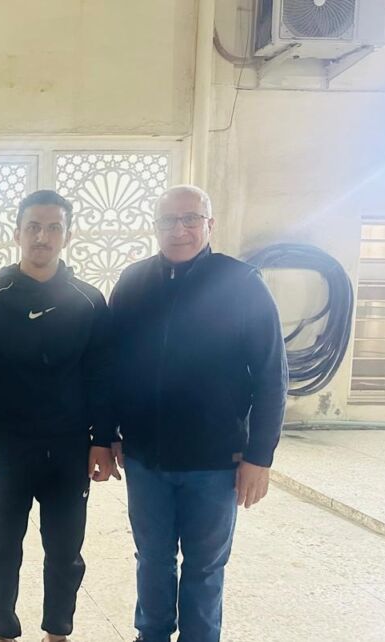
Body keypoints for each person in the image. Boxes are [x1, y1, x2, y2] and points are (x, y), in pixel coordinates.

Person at [109, 185, 288, 642]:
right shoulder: (132, 283)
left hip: (216, 461)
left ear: (210, 224)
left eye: (191, 219)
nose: (180, 229)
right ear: (155, 227)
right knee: (152, 558)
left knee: (206, 567)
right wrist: (108, 432)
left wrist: (260, 456)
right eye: (169, 220)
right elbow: (112, 365)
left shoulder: (241, 283)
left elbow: (272, 376)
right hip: (146, 459)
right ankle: (151, 635)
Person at [0, 189, 116, 642]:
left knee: (65, 551)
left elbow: (102, 376)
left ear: (67, 236)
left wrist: (102, 440)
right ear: (17, 234)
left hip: (69, 448)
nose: (42, 237)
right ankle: (3, 630)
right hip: (6, 447)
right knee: (0, 549)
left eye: (53, 228)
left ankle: (57, 631)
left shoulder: (89, 300)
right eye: (33, 227)